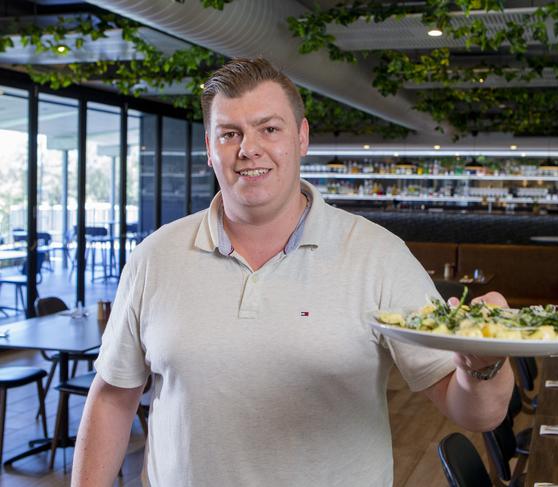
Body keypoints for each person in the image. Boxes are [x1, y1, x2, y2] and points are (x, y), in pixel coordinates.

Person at [72, 58, 513, 487]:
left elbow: (477, 413)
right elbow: (113, 397)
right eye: (229, 134)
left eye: (269, 128)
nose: (249, 149)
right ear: (209, 148)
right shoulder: (156, 256)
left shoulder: (379, 255)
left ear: (301, 138)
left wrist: (484, 367)